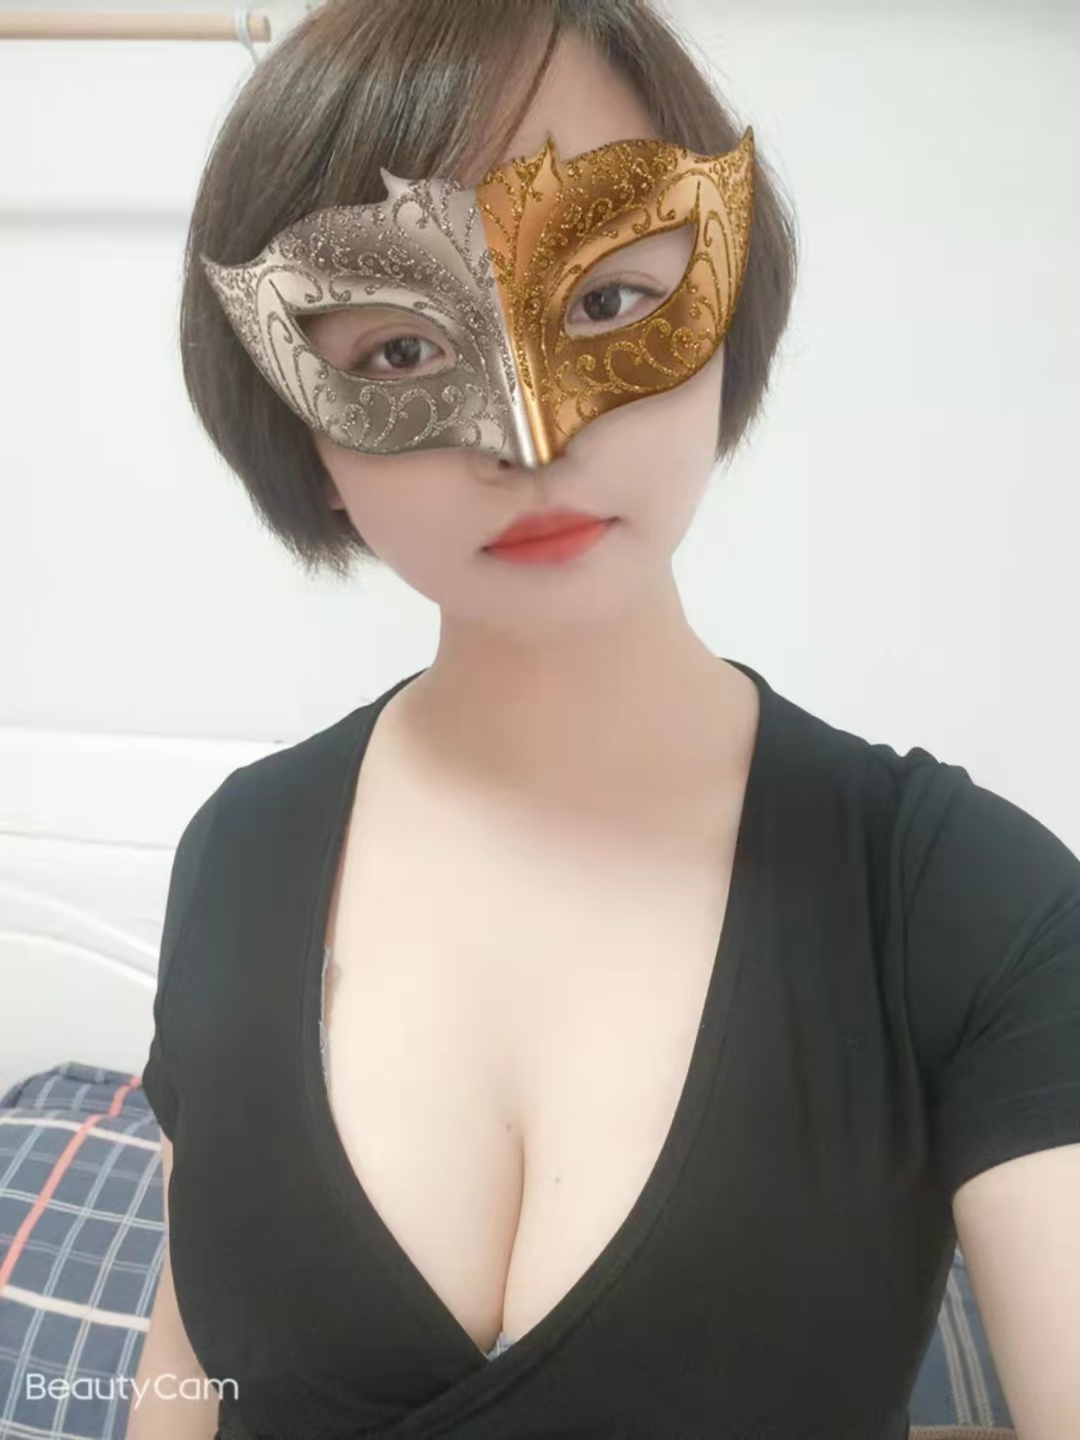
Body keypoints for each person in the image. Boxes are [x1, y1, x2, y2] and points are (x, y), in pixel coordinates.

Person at [127, 2, 1080, 1438]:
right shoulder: (236, 854)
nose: (530, 438)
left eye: (607, 301)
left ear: (725, 300)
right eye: (397, 354)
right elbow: (188, 1365)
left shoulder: (968, 901)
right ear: (300, 431)